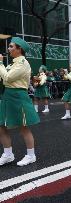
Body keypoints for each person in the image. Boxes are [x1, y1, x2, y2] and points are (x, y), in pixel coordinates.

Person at [0, 37, 40, 166]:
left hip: (18, 95)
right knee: (1, 126)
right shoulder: (11, 64)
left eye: (11, 46)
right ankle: (8, 154)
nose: (8, 48)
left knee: (23, 128)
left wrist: (0, 64)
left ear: (19, 49)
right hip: (8, 95)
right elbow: (5, 79)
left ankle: (31, 155)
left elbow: (8, 77)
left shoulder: (23, 63)